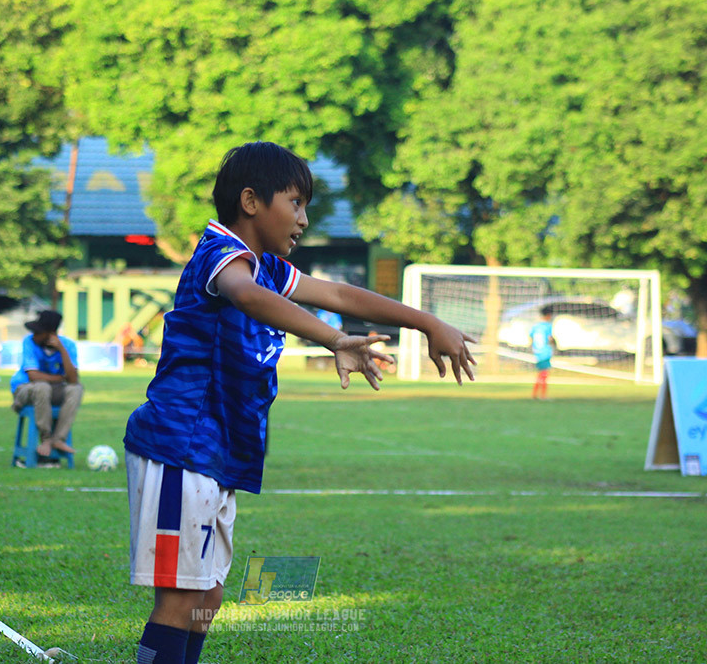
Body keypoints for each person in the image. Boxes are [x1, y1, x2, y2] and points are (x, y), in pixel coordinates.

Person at [122, 142, 475, 664]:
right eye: (295, 203)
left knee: (207, 599)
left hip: (217, 456)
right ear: (250, 202)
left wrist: (427, 321)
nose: (303, 220)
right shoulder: (221, 255)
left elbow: (337, 294)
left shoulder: (266, 267)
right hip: (182, 446)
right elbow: (245, 296)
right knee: (180, 601)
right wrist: (333, 339)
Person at [10, 310, 82, 464]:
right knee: (42, 386)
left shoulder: (68, 345)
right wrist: (59, 378)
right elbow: (33, 376)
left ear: (51, 334)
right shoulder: (28, 342)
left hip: (51, 390)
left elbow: (73, 380)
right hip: (25, 389)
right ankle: (46, 438)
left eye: (38, 332)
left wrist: (62, 350)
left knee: (76, 389)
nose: (34, 335)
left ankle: (58, 439)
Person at [529, 305, 556, 400]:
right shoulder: (548, 326)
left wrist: (533, 347)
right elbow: (550, 338)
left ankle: (535, 394)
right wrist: (555, 345)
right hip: (545, 352)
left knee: (540, 374)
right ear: (549, 315)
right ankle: (543, 396)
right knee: (544, 374)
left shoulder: (536, 326)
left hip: (537, 352)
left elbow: (531, 337)